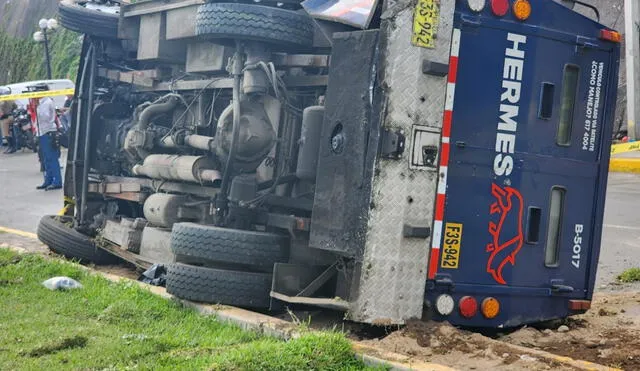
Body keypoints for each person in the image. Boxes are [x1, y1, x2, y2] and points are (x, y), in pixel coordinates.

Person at [33, 87, 62, 191]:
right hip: (42, 132)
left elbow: (45, 117)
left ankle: (57, 181)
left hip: (48, 132)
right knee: (46, 159)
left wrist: (37, 107)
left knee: (52, 158)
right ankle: (48, 180)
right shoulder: (41, 103)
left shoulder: (47, 102)